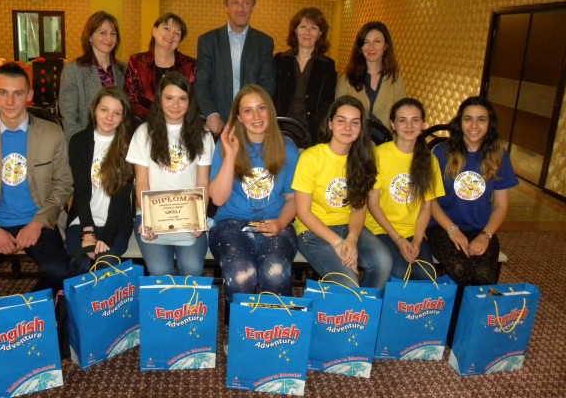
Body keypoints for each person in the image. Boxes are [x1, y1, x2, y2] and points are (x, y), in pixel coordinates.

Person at [0, 62, 72, 302]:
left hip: (39, 220)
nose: (10, 102)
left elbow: (63, 185)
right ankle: (13, 312)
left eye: (18, 94)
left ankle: (26, 312)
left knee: (59, 272)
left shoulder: (52, 134)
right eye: (3, 92)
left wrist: (37, 223)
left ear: (29, 95)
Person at [209, 85, 299, 320]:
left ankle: (275, 331)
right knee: (241, 274)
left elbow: (293, 200)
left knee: (275, 272)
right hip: (230, 223)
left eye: (261, 108)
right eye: (247, 111)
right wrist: (231, 155)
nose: (256, 116)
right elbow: (218, 198)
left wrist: (280, 223)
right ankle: (242, 333)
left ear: (270, 110)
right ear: (239, 117)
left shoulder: (287, 148)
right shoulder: (225, 146)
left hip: (276, 222)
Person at [292, 96, 392, 287]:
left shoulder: (364, 159)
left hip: (349, 227)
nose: (348, 127)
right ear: (330, 124)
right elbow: (303, 212)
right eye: (341, 121)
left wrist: (352, 239)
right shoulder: (311, 157)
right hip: (313, 231)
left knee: (383, 262)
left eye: (355, 122)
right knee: (348, 282)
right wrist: (338, 242)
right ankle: (352, 304)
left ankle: (365, 304)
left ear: (361, 128)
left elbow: (359, 208)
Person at [126, 71, 215, 276]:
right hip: (151, 214)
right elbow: (142, 182)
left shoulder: (203, 134)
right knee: (160, 269)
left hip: (190, 214)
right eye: (169, 98)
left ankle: (188, 301)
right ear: (159, 99)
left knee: (192, 267)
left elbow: (202, 182)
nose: (176, 105)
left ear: (190, 102)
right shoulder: (143, 133)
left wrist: (199, 218)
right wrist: (149, 220)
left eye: (182, 99)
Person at [427, 96, 518, 285]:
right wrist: (452, 230)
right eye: (468, 119)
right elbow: (430, 200)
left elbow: (501, 205)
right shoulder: (441, 153)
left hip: (481, 228)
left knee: (482, 275)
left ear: (489, 124)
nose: (474, 125)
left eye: (481, 119)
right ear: (459, 122)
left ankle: (472, 306)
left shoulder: (499, 156)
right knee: (460, 268)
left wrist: (485, 236)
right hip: (442, 227)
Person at [365, 98, 445, 280]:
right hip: (381, 228)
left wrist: (417, 240)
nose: (409, 126)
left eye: (415, 120)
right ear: (393, 124)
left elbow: (426, 206)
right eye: (402, 120)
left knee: (426, 274)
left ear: (423, 124)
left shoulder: (429, 160)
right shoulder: (378, 155)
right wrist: (398, 240)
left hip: (413, 230)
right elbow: (373, 204)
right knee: (401, 272)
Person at [65, 86, 136, 275]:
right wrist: (88, 232)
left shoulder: (129, 144)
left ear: (123, 117)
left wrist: (107, 237)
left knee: (105, 265)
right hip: (82, 219)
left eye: (117, 113)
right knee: (79, 264)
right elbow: (81, 189)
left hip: (116, 221)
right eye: (104, 110)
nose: (109, 117)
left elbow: (122, 196)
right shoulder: (79, 141)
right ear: (94, 109)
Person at [195, 0, 276, 136]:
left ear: (252, 8)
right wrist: (211, 114)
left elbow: (267, 83)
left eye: (246, 3)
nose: (240, 9)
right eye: (235, 3)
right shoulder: (207, 41)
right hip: (217, 124)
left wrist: (255, 115)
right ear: (226, 7)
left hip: (252, 124)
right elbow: (202, 82)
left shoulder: (265, 42)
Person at [59, 11, 126, 143]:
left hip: (118, 142)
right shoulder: (73, 71)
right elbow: (70, 120)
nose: (109, 39)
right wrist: (81, 147)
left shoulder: (124, 70)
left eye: (113, 34)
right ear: (90, 37)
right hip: (86, 143)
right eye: (103, 33)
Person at [274, 7, 337, 145]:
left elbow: (327, 103)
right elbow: (272, 97)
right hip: (280, 130)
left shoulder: (328, 66)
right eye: (303, 27)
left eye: (313, 28)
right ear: (295, 30)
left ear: (320, 33)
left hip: (313, 133)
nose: (307, 32)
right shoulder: (279, 61)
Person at [123, 12, 196, 122]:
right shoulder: (136, 62)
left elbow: (194, 101)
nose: (171, 35)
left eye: (177, 33)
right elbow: (130, 99)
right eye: (166, 28)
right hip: (143, 125)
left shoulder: (190, 65)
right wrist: (155, 122)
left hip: (180, 125)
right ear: (154, 31)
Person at [336, 21, 405, 130]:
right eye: (366, 42)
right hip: (353, 139)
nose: (371, 47)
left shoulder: (395, 80)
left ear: (386, 45)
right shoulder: (346, 80)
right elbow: (339, 117)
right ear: (360, 47)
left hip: (387, 139)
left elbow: (401, 116)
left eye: (377, 41)